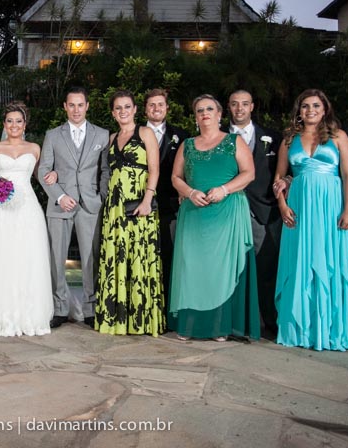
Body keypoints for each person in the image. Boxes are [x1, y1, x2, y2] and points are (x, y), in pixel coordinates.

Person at [273, 89, 348, 352]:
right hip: (299, 208)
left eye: (315, 105)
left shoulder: (339, 136)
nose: (310, 110)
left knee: (329, 262)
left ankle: (332, 331)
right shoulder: (289, 140)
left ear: (325, 110)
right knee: (300, 263)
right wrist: (282, 205)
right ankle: (301, 331)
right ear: (299, 111)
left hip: (330, 207)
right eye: (305, 106)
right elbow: (279, 177)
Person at [169, 94, 259, 342]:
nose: (205, 113)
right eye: (200, 110)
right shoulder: (187, 144)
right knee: (192, 269)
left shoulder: (234, 141)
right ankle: (189, 325)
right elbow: (175, 177)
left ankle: (219, 326)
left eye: (209, 109)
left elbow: (249, 173)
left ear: (219, 114)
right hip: (194, 214)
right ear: (195, 117)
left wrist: (224, 189)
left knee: (221, 271)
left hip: (226, 214)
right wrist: (189, 192)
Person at [0, 102, 53, 338]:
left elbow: (42, 175)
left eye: (18, 121)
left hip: (28, 208)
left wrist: (54, 174)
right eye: (9, 121)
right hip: (1, 209)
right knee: (1, 257)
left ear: (25, 125)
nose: (14, 125)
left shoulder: (35, 148)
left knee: (28, 258)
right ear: (4, 124)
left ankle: (29, 314)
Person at [37, 87, 110, 328]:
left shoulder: (102, 135)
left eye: (80, 105)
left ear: (87, 106)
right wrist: (59, 196)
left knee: (90, 257)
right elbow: (43, 169)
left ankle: (90, 309)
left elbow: (105, 170)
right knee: (57, 257)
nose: (76, 110)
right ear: (65, 107)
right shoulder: (53, 135)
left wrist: (100, 196)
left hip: (90, 204)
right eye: (71, 105)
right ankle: (60, 308)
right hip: (60, 205)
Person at [95, 90, 165, 336]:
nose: (123, 111)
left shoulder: (145, 133)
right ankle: (117, 319)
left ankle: (140, 319)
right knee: (117, 258)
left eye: (127, 106)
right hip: (115, 207)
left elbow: (154, 169)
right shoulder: (112, 138)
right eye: (118, 108)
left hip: (138, 204)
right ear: (113, 113)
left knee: (138, 255)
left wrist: (147, 200)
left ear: (135, 109)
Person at [228, 89, 282, 338]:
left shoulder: (274, 138)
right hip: (228, 210)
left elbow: (285, 171)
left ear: (252, 107)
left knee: (266, 269)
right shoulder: (218, 138)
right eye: (235, 104)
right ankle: (235, 323)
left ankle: (269, 322)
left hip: (263, 210)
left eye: (244, 104)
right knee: (231, 269)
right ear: (228, 107)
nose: (239, 108)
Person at [144, 89, 187, 315]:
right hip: (141, 205)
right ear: (145, 109)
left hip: (170, 206)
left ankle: (168, 310)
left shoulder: (181, 136)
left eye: (160, 104)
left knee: (169, 258)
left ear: (167, 108)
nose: (156, 108)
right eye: (152, 105)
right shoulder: (135, 134)